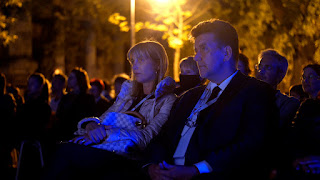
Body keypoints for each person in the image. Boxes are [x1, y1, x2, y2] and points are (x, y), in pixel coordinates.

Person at [144, 19, 278, 180]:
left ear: (226, 53)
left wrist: (196, 170)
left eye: (204, 49)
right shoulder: (188, 97)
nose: (196, 57)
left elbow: (250, 145)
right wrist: (153, 167)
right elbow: (162, 137)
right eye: (195, 50)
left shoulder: (256, 92)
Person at [41, 41, 177, 180]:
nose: (135, 66)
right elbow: (103, 118)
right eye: (133, 61)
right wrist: (91, 125)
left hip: (128, 156)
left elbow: (147, 137)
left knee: (65, 152)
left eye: (141, 60)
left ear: (158, 64)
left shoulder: (167, 99)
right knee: (61, 156)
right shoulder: (128, 94)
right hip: (105, 148)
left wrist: (106, 133)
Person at [255, 49, 300, 129]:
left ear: (280, 74)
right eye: (259, 66)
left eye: (268, 67)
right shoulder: (245, 97)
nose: (261, 71)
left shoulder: (287, 103)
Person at [54, 67, 96, 142]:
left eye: (71, 78)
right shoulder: (66, 97)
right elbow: (59, 115)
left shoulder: (88, 98)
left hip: (79, 136)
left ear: (79, 80)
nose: (68, 80)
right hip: (64, 134)